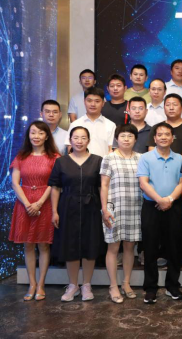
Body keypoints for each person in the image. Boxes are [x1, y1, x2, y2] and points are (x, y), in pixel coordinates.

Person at [50, 126, 104, 302]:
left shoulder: (98, 160)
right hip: (68, 207)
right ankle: (73, 285)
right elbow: (55, 187)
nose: (79, 141)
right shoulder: (61, 162)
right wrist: (54, 211)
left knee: (90, 245)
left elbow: (101, 187)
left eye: (83, 138)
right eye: (75, 138)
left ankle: (86, 285)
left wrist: (104, 208)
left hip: (92, 207)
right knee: (70, 245)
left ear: (88, 140)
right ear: (70, 140)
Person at [9, 121, 59, 301]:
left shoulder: (54, 157)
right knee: (28, 244)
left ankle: (41, 284)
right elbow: (15, 183)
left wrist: (39, 203)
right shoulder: (21, 156)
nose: (36, 136)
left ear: (46, 136)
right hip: (24, 203)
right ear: (28, 135)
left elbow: (54, 183)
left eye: (40, 133)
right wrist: (27, 203)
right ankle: (32, 284)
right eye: (33, 133)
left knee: (43, 244)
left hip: (45, 202)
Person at [137, 123, 182, 304]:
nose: (163, 137)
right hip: (151, 206)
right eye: (160, 134)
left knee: (174, 247)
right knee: (150, 248)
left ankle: (173, 286)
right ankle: (150, 288)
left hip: (174, 207)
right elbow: (143, 183)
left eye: (167, 134)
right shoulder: (146, 158)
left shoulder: (179, 158)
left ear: (172, 138)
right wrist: (160, 200)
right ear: (154, 138)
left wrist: (169, 199)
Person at [100, 124, 142, 304]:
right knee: (113, 247)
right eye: (122, 136)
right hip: (114, 208)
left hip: (135, 207)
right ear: (117, 139)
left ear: (135, 139)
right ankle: (113, 286)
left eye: (130, 136)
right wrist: (104, 209)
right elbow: (104, 185)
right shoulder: (109, 158)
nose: (126, 139)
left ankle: (126, 283)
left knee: (130, 247)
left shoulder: (141, 158)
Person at [66, 87, 116, 157]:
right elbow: (70, 148)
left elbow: (112, 149)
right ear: (84, 102)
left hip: (103, 163)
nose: (93, 104)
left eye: (97, 101)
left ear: (103, 103)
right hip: (81, 163)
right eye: (89, 101)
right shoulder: (75, 124)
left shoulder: (111, 125)